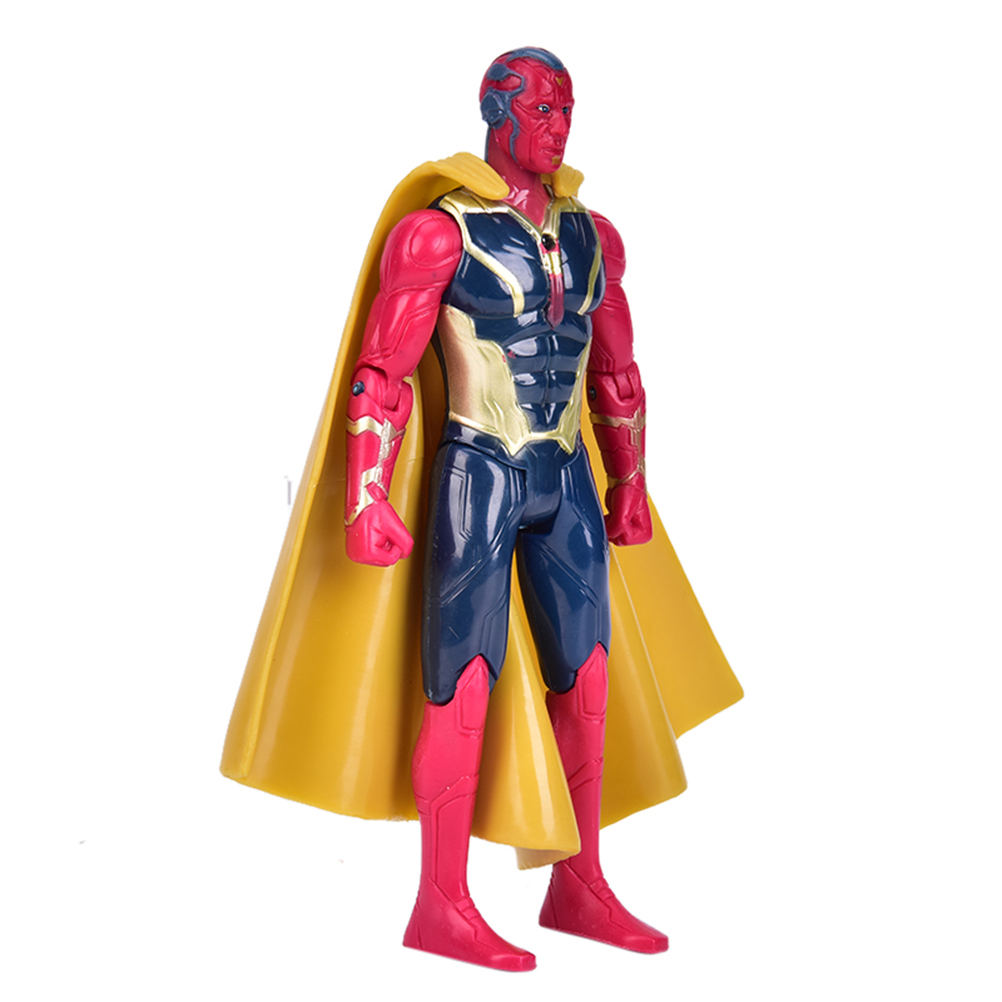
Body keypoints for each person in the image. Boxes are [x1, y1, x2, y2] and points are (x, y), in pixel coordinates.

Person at [221, 46, 742, 974]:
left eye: (567, 108)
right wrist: (365, 495)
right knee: (460, 685)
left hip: (564, 474)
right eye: (542, 108)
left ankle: (578, 884)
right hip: (480, 471)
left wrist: (629, 481)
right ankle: (441, 902)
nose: (558, 125)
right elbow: (381, 376)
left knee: (588, 679)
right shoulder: (439, 235)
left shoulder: (593, 235)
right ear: (497, 111)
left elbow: (617, 370)